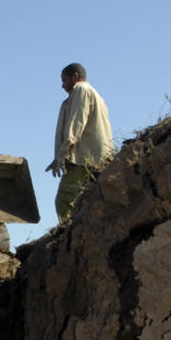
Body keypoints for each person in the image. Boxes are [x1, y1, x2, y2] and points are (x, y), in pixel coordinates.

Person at [45, 63, 114, 223]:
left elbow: (76, 124)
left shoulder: (81, 91)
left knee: (64, 200)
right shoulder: (95, 95)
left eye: (64, 80)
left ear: (75, 76)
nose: (62, 86)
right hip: (99, 157)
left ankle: (68, 237)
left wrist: (63, 154)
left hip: (84, 159)